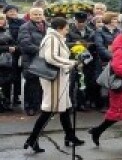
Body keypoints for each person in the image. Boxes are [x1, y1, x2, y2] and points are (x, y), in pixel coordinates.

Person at [23, 17, 83, 152]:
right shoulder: (52, 38)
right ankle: (32, 139)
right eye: (66, 29)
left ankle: (70, 136)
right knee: (50, 109)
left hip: (60, 76)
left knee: (65, 107)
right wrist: (70, 63)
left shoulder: (55, 37)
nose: (67, 32)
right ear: (60, 28)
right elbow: (51, 57)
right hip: (53, 77)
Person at [18, 7, 47, 116]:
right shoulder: (25, 27)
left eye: (40, 14)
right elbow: (25, 44)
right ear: (30, 15)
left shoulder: (48, 26)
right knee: (31, 84)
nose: (38, 16)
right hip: (30, 60)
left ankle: (39, 105)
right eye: (35, 14)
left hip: (44, 60)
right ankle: (30, 107)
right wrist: (42, 50)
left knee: (42, 84)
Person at [67, 12, 98, 111]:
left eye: (83, 22)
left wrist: (88, 45)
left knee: (83, 82)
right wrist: (75, 44)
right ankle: (70, 104)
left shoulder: (91, 31)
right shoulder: (69, 31)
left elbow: (95, 44)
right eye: (79, 22)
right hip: (72, 59)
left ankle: (81, 103)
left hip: (87, 60)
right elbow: (65, 43)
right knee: (71, 84)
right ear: (75, 20)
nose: (81, 24)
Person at [3, 6, 23, 107]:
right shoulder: (4, 22)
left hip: (17, 53)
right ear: (5, 13)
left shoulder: (21, 22)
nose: (13, 12)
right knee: (6, 76)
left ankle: (16, 96)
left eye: (15, 11)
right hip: (5, 54)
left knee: (17, 76)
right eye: (10, 11)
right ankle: (6, 98)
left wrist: (17, 47)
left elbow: (23, 37)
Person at [0, 13, 17, 111]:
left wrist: (15, 48)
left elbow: (15, 43)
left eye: (2, 19)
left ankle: (6, 103)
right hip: (4, 59)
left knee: (7, 83)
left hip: (8, 61)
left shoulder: (8, 31)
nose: (1, 21)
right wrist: (7, 48)